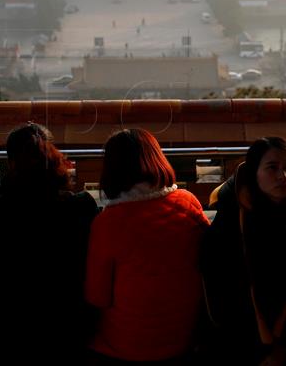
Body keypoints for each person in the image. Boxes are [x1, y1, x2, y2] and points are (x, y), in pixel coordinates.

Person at [85, 128, 210, 363]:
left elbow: (97, 297)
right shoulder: (187, 202)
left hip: (126, 346)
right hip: (185, 337)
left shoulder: (108, 223)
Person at [0, 122, 98, 364]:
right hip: (70, 323)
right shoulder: (80, 206)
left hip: (12, 328)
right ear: (53, 156)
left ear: (11, 164)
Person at [199, 137, 286, 366]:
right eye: (272, 167)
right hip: (238, 347)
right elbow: (220, 298)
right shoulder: (229, 225)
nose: (283, 176)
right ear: (254, 172)